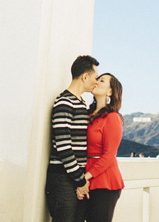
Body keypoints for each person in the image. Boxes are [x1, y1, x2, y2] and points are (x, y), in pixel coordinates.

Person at [46, 55, 99, 222]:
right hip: (62, 179)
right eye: (95, 77)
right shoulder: (64, 103)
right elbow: (63, 146)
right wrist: (80, 180)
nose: (96, 82)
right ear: (85, 76)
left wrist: (79, 180)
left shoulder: (81, 104)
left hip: (74, 179)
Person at [78, 73, 125, 222]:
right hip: (86, 177)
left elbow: (109, 155)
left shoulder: (112, 117)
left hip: (105, 182)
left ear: (110, 92)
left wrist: (84, 178)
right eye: (97, 79)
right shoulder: (88, 114)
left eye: (102, 81)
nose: (97, 82)